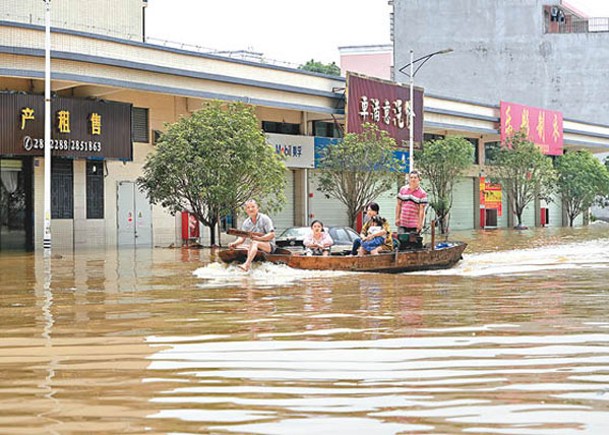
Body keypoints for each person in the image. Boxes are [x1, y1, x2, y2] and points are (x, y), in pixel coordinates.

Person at [228, 199, 276, 272]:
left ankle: (246, 265)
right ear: (246, 210)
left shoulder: (265, 218)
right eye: (248, 207)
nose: (251, 209)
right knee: (237, 247)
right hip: (255, 245)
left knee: (254, 242)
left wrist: (259, 239)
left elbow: (272, 234)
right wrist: (234, 243)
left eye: (253, 207)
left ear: (257, 208)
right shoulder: (246, 223)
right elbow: (242, 238)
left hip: (269, 246)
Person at [395, 170, 428, 234]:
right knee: (401, 241)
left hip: (414, 224)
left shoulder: (422, 193)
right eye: (411, 177)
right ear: (409, 179)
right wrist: (397, 218)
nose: (413, 179)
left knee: (413, 243)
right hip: (402, 222)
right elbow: (398, 205)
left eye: (415, 177)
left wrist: (420, 224)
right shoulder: (403, 190)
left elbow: (422, 211)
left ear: (419, 179)